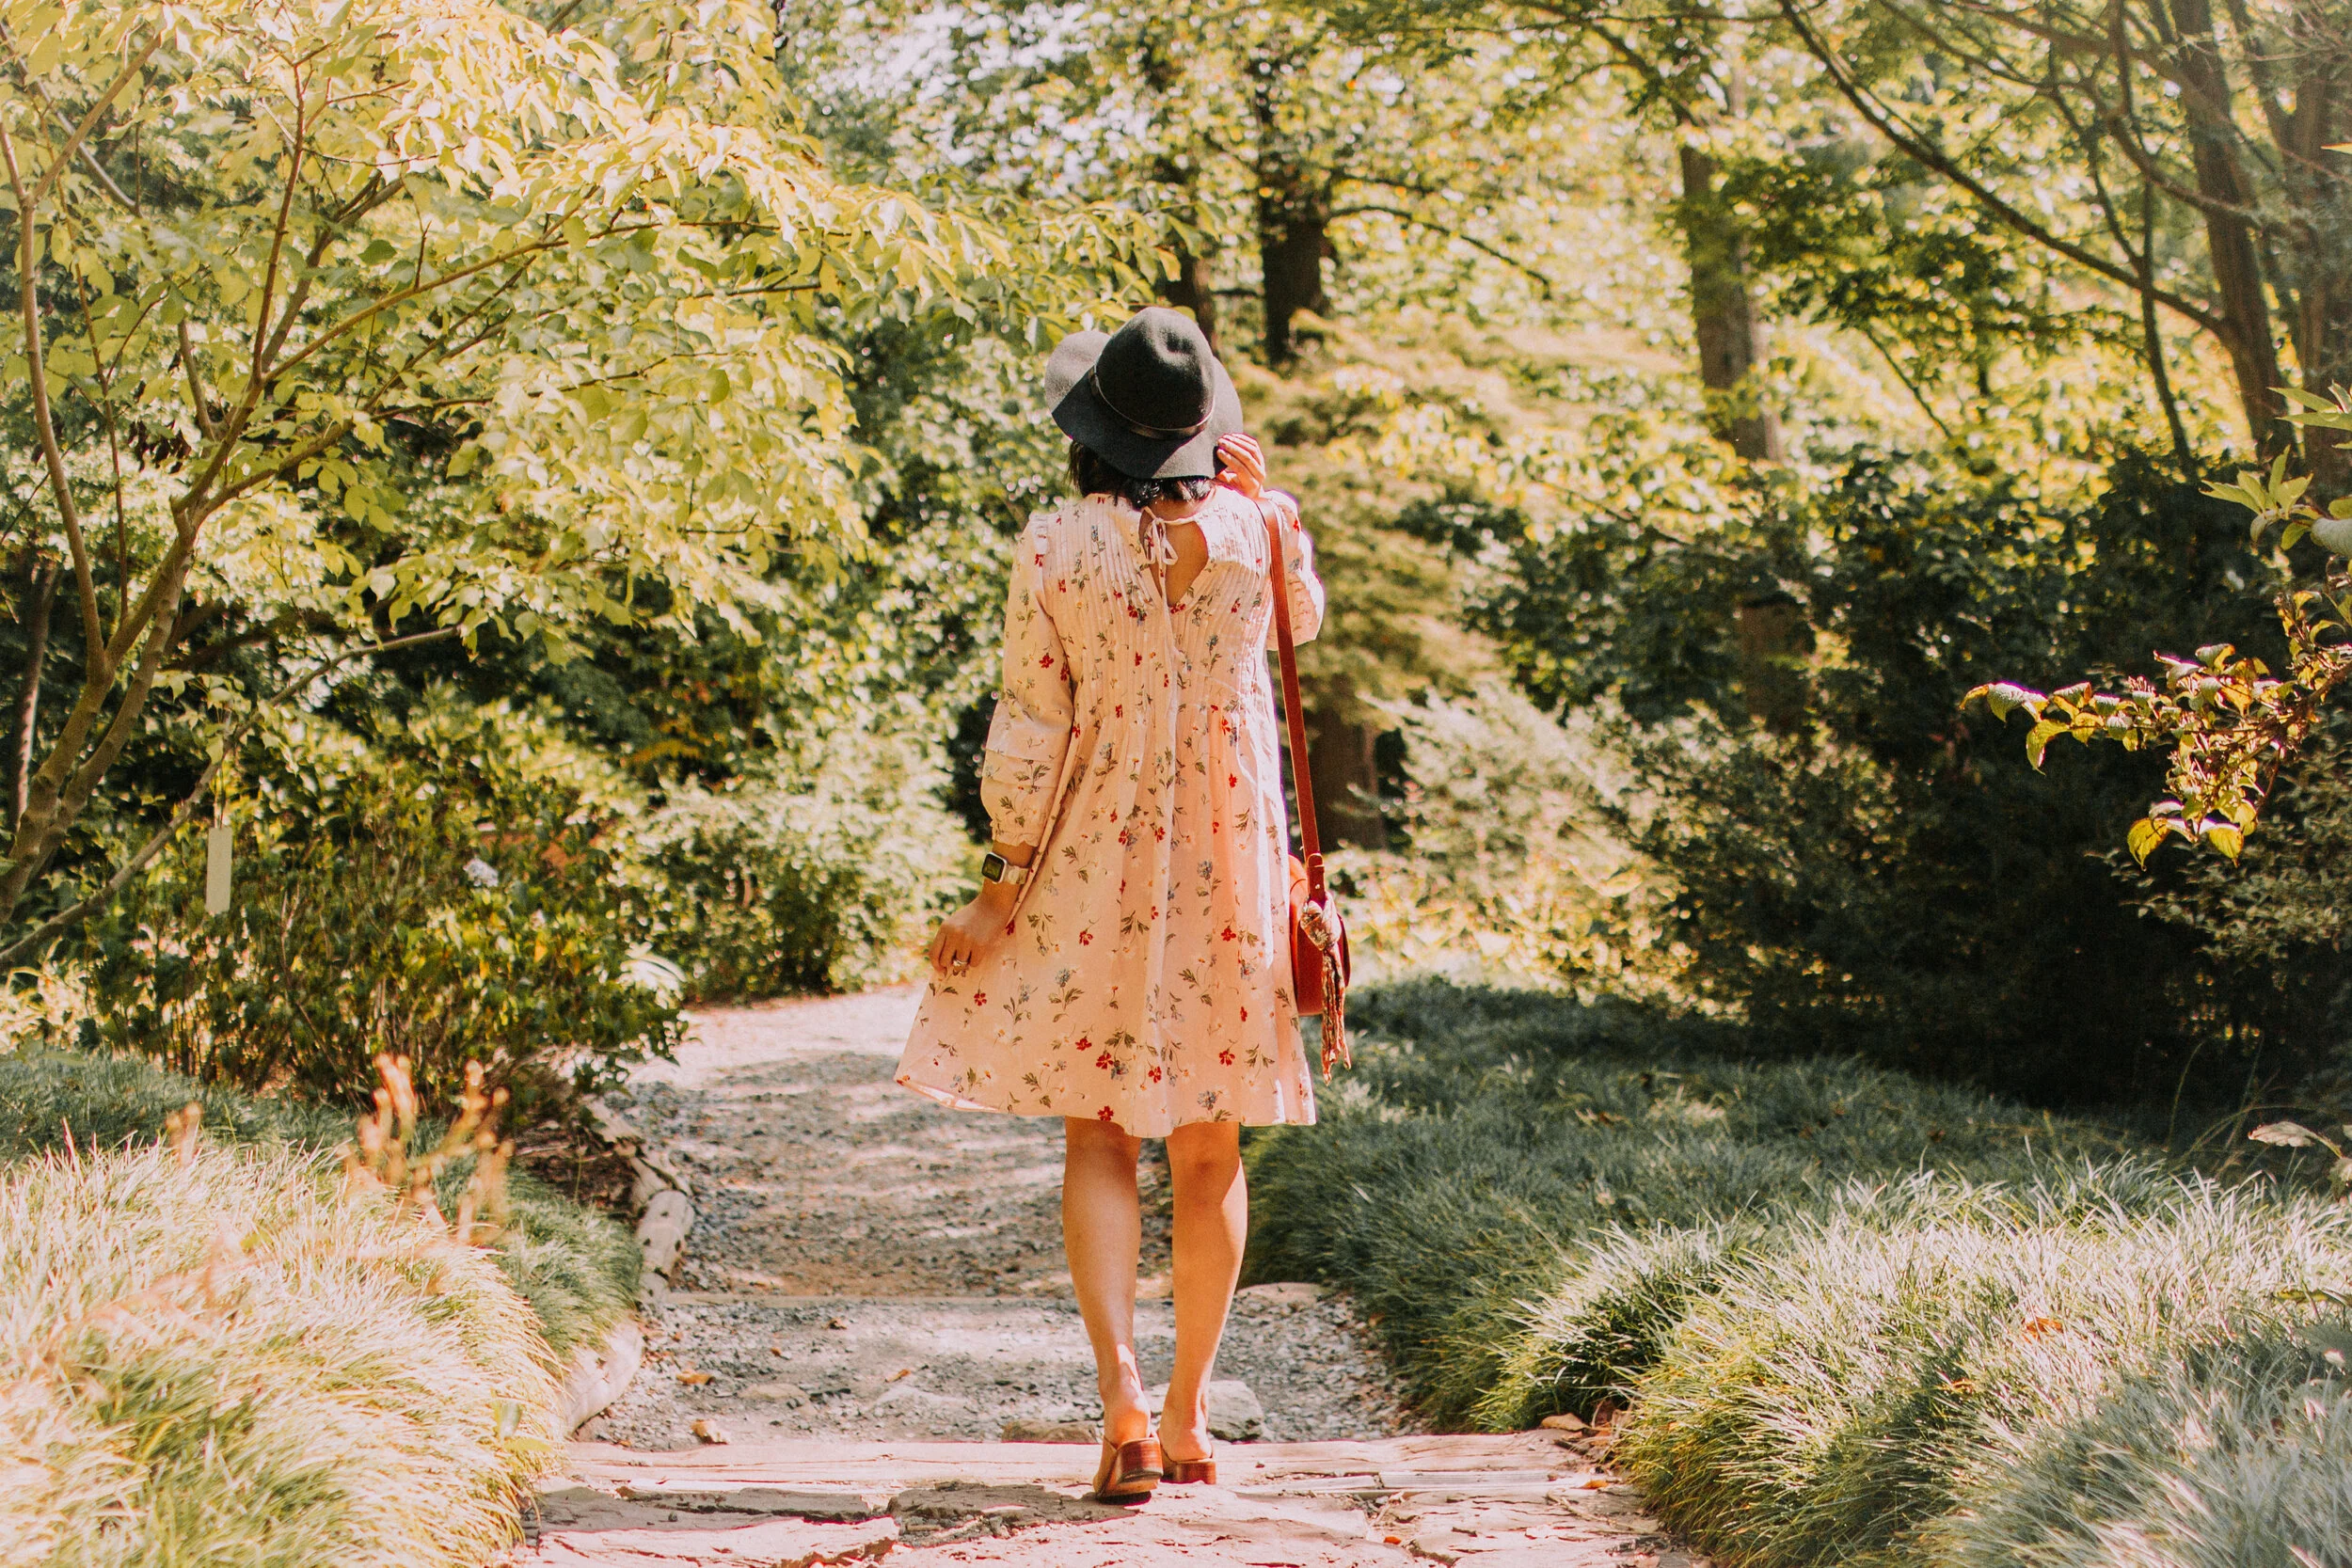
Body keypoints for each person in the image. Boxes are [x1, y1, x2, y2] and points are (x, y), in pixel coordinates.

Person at [896, 306, 1326, 1502]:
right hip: (1232, 867)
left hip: (1092, 857)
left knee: (1099, 1129)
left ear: (1095, 431)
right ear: (1203, 432)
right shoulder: (1260, 529)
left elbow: (1030, 726)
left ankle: (1125, 1406)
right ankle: (1190, 1416)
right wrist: (1265, 502)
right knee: (1209, 1142)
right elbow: (1302, 632)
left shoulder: (1053, 544)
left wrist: (1000, 880)